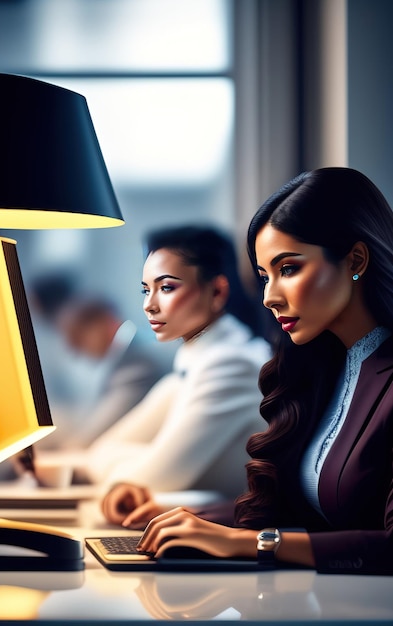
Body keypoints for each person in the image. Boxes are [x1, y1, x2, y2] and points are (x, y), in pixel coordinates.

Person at [134, 167, 393, 576]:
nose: (270, 297)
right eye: (263, 276)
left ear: (355, 260)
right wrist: (190, 515)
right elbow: (299, 510)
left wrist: (247, 542)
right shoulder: (325, 369)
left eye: (288, 269)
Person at [81, 224, 271, 520]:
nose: (149, 305)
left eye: (167, 287)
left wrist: (138, 464)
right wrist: (144, 462)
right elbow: (99, 453)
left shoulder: (231, 365)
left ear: (218, 291)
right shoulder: (193, 364)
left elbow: (147, 481)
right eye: (146, 290)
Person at [48, 295, 170, 447]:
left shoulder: (137, 365)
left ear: (106, 321)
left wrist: (64, 451)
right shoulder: (128, 357)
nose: (76, 351)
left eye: (78, 338)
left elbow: (95, 434)